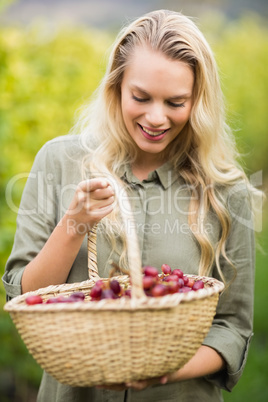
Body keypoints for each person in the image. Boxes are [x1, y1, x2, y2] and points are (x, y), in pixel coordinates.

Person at [3, 9, 257, 402]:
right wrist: (75, 223)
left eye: (176, 102)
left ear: (198, 101)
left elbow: (232, 329)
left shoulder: (226, 191)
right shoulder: (59, 162)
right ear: (116, 88)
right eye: (140, 97)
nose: (156, 117)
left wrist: (162, 373)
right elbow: (24, 297)